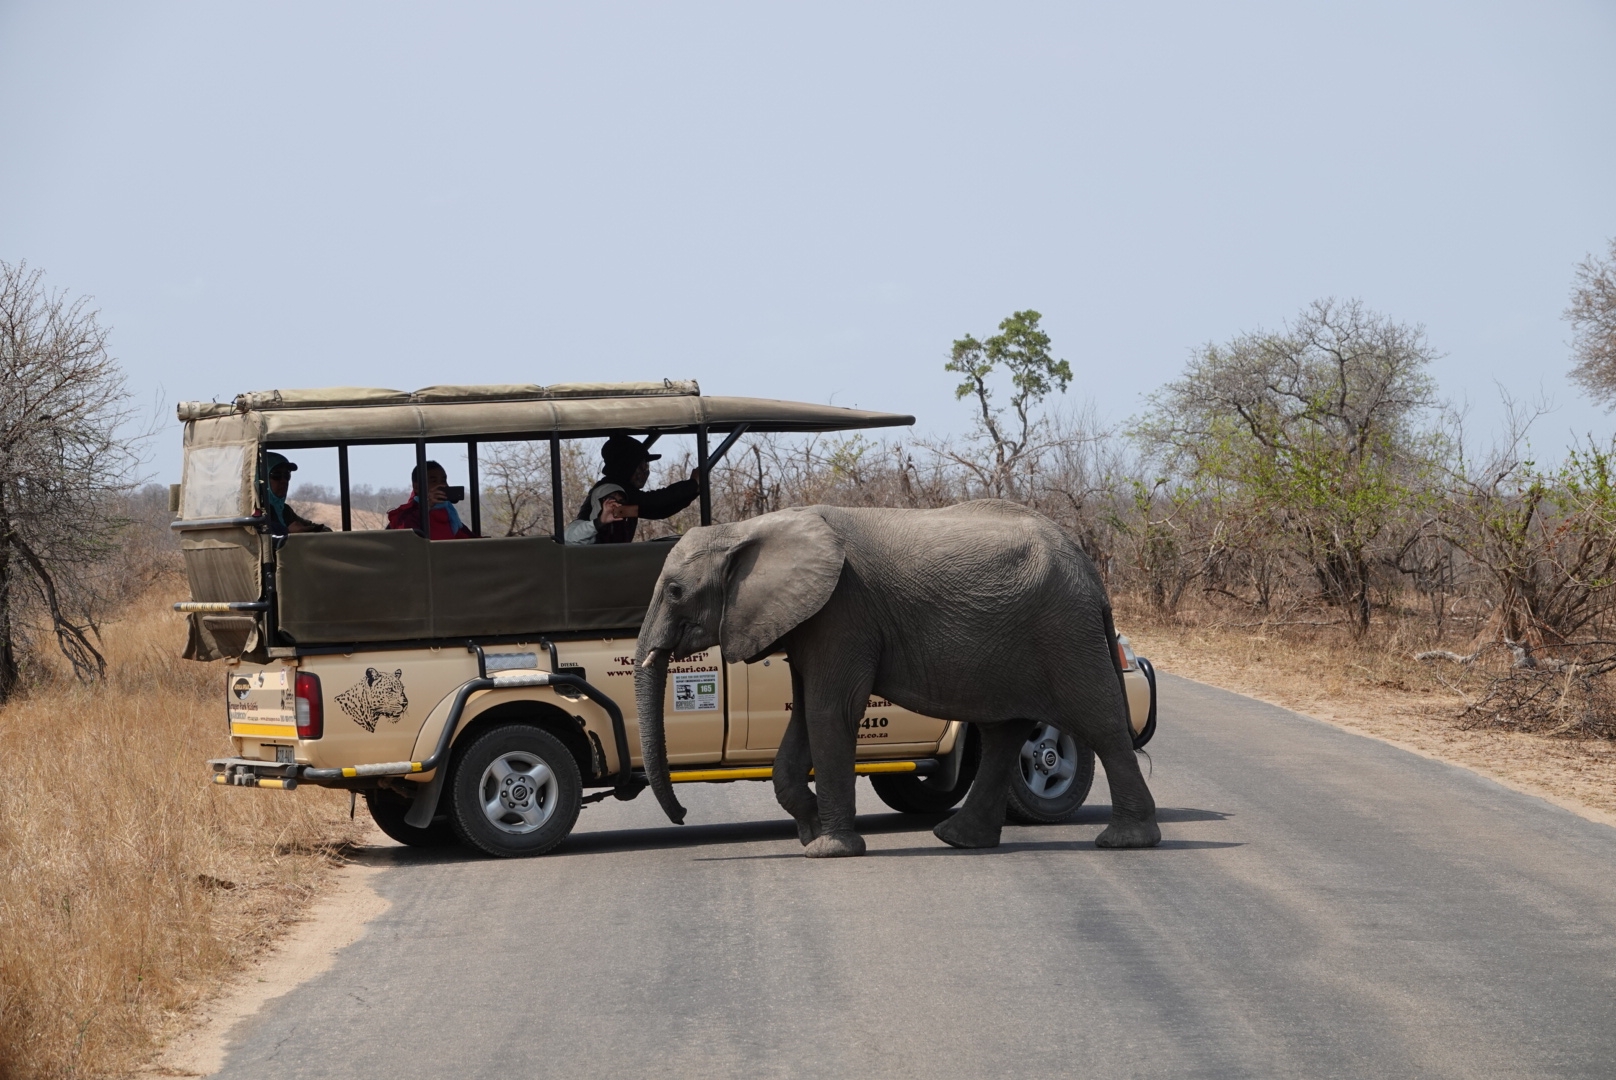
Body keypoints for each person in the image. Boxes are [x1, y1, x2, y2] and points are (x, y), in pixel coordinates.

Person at [569, 434, 699, 544]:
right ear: (627, 468)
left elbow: (657, 510)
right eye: (642, 467)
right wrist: (691, 484)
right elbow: (653, 502)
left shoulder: (622, 492)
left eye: (646, 468)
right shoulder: (612, 492)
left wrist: (693, 490)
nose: (646, 473)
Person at [386, 460, 477, 539]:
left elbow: (469, 540)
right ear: (417, 487)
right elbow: (408, 537)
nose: (441, 485)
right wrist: (427, 505)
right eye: (433, 481)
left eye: (443, 480)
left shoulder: (449, 513)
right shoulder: (406, 515)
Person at [259, 452, 329, 536]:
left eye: (287, 475)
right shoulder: (255, 511)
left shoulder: (285, 510)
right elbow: (260, 537)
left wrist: (316, 531)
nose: (284, 481)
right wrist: (287, 532)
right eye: (276, 475)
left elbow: (321, 529)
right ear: (260, 479)